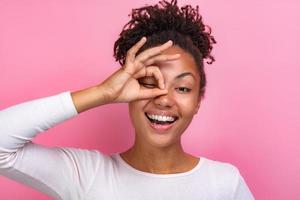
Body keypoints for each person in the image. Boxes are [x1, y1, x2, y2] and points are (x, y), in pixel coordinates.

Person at [0, 0, 254, 199]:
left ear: (198, 101)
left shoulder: (223, 182)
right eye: (150, 82)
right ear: (129, 91)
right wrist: (103, 92)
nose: (164, 99)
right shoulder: (84, 175)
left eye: (183, 88)